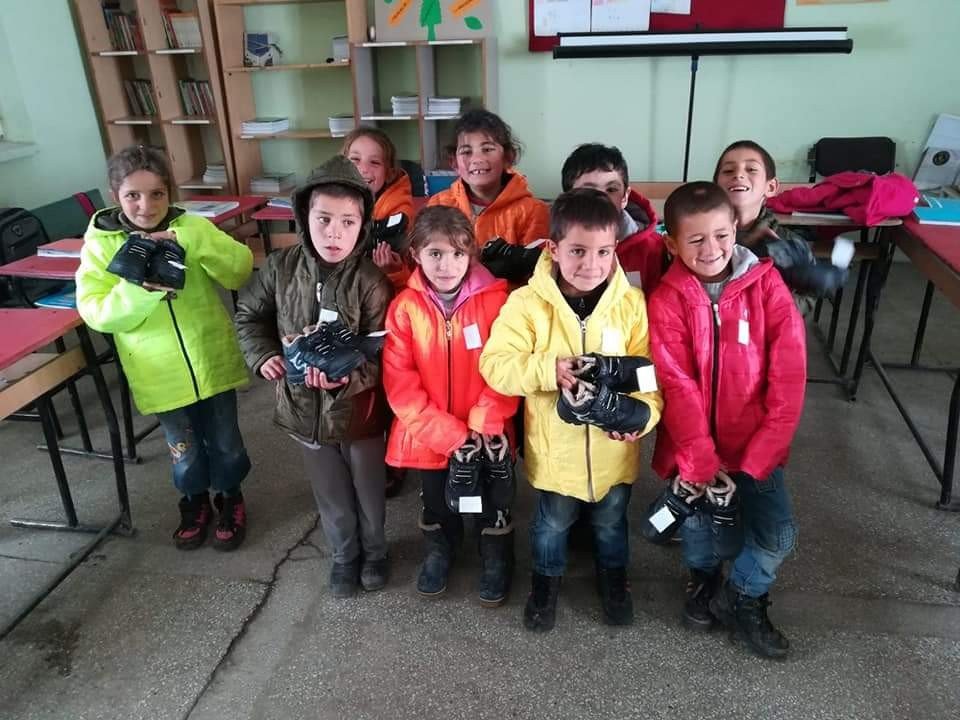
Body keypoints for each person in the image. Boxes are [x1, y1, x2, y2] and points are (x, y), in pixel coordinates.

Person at [480, 188, 662, 631]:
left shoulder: (631, 305)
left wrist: (641, 420)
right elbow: (495, 365)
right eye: (578, 251)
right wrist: (549, 370)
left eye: (604, 251)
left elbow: (650, 377)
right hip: (555, 455)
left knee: (611, 524)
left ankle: (614, 580)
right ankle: (545, 586)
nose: (592, 264)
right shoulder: (525, 304)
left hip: (613, 454)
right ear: (553, 248)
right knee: (551, 525)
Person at [648, 181, 806, 659]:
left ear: (735, 227)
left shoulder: (768, 284)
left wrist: (760, 457)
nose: (711, 249)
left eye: (720, 235)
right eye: (695, 240)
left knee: (778, 535)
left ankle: (740, 595)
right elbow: (676, 384)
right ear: (671, 243)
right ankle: (702, 582)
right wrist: (699, 459)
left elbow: (790, 375)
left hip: (756, 449)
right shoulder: (665, 300)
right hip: (693, 455)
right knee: (699, 531)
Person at [76, 145, 253, 551]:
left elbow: (240, 268)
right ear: (114, 195)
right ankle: (194, 502)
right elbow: (96, 312)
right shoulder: (101, 244)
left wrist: (192, 243)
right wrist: (140, 289)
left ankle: (231, 497)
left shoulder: (191, 226)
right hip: (159, 372)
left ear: (170, 192)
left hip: (210, 359)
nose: (145, 205)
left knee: (225, 440)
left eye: (157, 194)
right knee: (183, 448)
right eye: (133, 195)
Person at [234, 155, 393, 598]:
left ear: (363, 225)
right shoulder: (280, 268)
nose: (334, 232)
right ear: (304, 217)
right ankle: (344, 556)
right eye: (323, 219)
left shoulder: (372, 281)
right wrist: (263, 354)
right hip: (303, 408)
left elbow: (381, 352)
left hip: (359, 412)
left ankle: (376, 551)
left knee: (368, 488)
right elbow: (249, 315)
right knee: (330, 493)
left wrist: (349, 379)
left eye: (348, 221)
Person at [382, 205, 518, 606]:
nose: (447, 264)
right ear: (416, 254)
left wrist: (484, 421)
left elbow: (508, 367)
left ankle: (495, 556)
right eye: (435, 253)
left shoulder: (498, 302)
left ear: (471, 255)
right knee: (438, 499)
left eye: (458, 254)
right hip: (431, 437)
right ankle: (440, 549)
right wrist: (451, 436)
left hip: (488, 431)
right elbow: (400, 382)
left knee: (496, 498)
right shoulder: (404, 309)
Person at [342, 126, 416, 496]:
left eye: (374, 161)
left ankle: (395, 458)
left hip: (390, 315)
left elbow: (418, 283)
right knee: (361, 386)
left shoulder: (401, 214)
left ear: (388, 169)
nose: (363, 168)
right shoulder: (338, 200)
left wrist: (392, 272)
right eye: (355, 159)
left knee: (392, 387)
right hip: (350, 310)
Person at [714, 140, 846, 314]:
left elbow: (806, 301)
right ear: (715, 186)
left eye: (751, 169)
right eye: (728, 170)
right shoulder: (703, 237)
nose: (738, 175)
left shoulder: (789, 244)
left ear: (771, 187)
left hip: (762, 335)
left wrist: (774, 304)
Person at [427, 108, 549, 283]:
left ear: (508, 157)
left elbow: (538, 277)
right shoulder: (439, 204)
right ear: (454, 162)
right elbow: (427, 264)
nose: (477, 159)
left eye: (487, 149)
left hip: (508, 306)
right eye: (466, 152)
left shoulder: (533, 211)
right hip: (452, 304)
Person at [561, 142, 668, 295]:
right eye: (588, 190)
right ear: (567, 198)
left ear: (625, 197)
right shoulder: (554, 247)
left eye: (611, 189)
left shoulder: (654, 249)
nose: (601, 198)